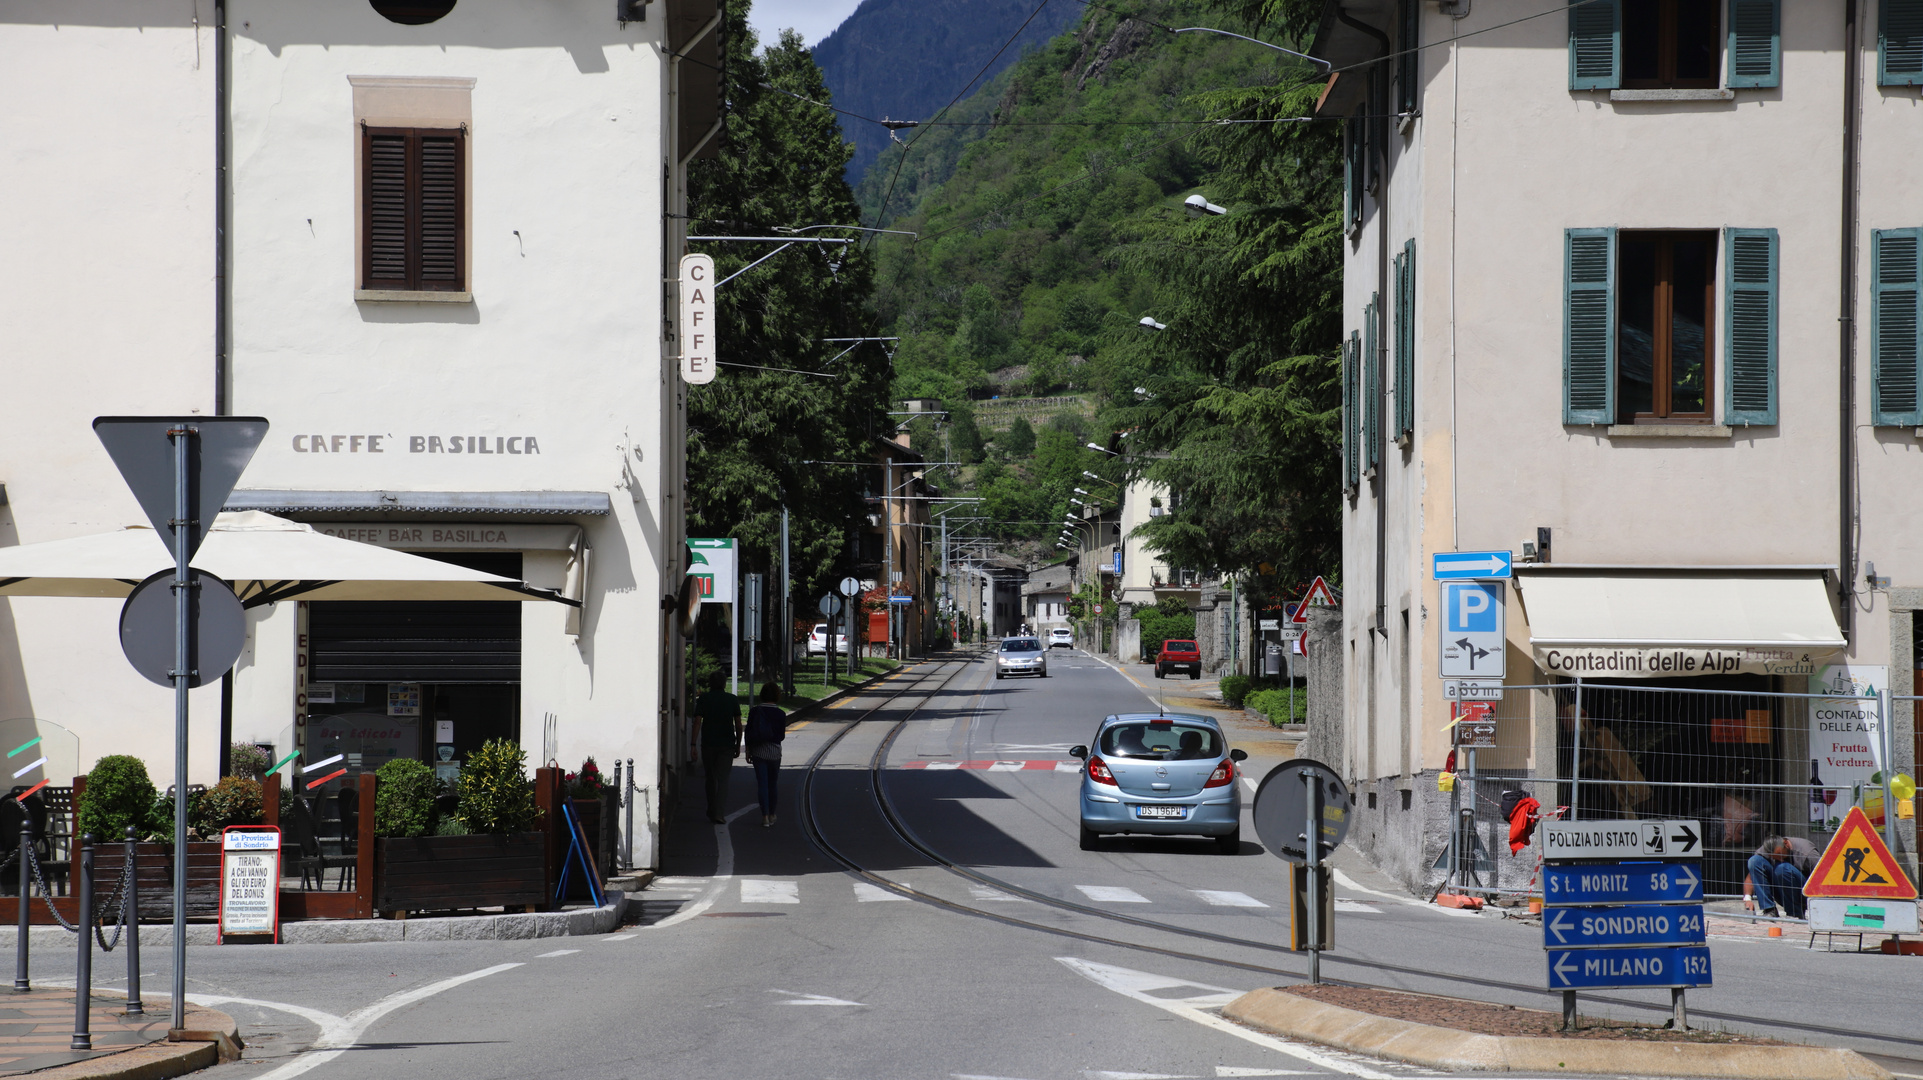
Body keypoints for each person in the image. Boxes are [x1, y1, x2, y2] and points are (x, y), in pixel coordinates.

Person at [690, 673, 741, 824]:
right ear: (724, 684)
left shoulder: (704, 699)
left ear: (710, 684)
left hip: (708, 743)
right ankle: (719, 813)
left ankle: (712, 808)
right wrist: (738, 744)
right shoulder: (732, 699)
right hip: (727, 744)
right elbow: (738, 724)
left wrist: (693, 744)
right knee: (723, 779)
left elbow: (697, 722)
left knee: (710, 778)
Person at [743, 682, 787, 827]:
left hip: (758, 751)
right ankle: (773, 813)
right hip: (774, 752)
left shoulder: (755, 711)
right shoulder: (780, 714)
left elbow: (748, 733)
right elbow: (781, 736)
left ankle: (765, 816)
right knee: (772, 784)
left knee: (762, 784)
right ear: (777, 696)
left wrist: (748, 750)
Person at [1744, 834, 1817, 918]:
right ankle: (1769, 909)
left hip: (1804, 892)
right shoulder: (1766, 850)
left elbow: (1823, 875)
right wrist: (1748, 899)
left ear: (1786, 843)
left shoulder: (1807, 851)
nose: (1780, 859)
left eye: (1781, 855)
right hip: (1780, 890)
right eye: (1776, 857)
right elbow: (1751, 875)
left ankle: (1794, 913)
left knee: (1782, 868)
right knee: (1754, 861)